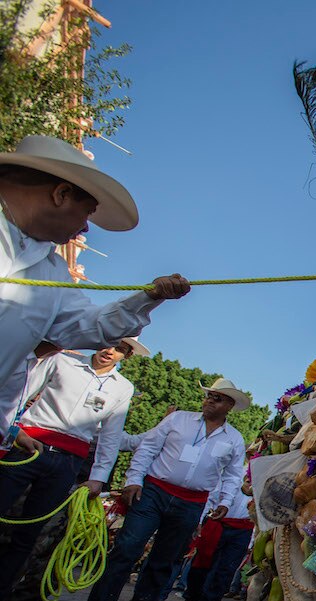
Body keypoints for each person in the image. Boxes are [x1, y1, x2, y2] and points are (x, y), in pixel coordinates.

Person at [0, 135, 189, 449]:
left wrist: (150, 296)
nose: (86, 229)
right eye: (87, 214)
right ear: (61, 194)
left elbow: (91, 327)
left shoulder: (53, 271)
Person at [69, 379, 249, 601]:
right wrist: (133, 480)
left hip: (192, 502)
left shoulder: (234, 439)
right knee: (125, 552)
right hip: (153, 492)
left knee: (162, 563)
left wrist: (224, 500)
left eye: (218, 398)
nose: (210, 400)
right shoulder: (178, 420)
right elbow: (148, 448)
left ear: (230, 406)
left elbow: (234, 474)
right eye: (209, 395)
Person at [0, 339, 145, 601]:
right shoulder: (60, 361)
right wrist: (13, 431)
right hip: (29, 445)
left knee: (28, 536)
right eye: (109, 343)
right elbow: (20, 394)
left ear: (126, 356)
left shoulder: (123, 388)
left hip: (68, 463)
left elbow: (111, 435)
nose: (110, 351)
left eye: (120, 349)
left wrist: (98, 476)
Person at [180, 474, 255, 601]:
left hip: (243, 531)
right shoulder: (234, 474)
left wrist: (253, 540)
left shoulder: (266, 480)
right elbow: (212, 497)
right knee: (200, 568)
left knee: (224, 574)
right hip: (218, 524)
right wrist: (199, 521)